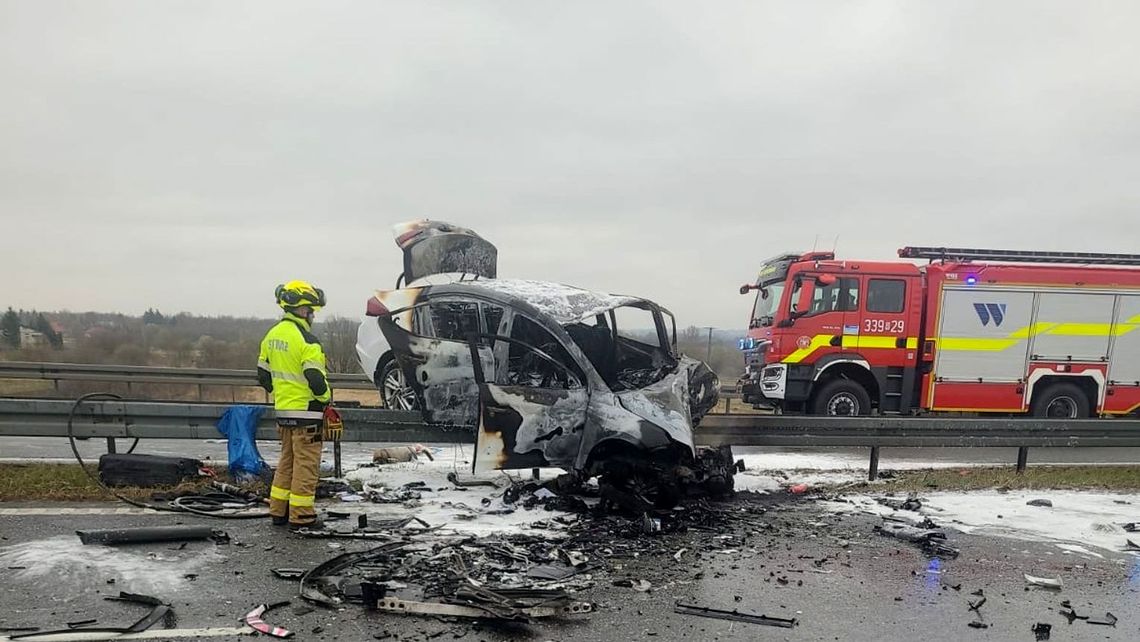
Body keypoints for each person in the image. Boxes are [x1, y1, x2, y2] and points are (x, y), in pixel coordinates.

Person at [257, 280, 331, 530]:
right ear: (301, 309)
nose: (312, 315)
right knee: (306, 465)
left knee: (286, 462)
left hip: (284, 413)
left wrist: (281, 395)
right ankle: (302, 515)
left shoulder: (271, 336)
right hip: (307, 413)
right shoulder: (307, 340)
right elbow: (315, 378)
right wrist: (325, 399)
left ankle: (279, 511)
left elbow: (263, 376)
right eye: (311, 310)